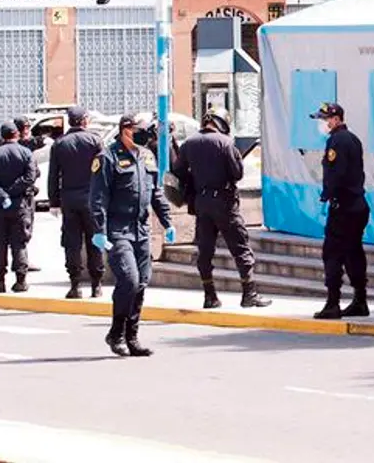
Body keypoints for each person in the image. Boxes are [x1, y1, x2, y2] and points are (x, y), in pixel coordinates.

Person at [90, 114, 174, 357]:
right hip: (118, 231)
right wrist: (98, 230)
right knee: (129, 280)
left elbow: (155, 192)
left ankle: (132, 336)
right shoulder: (107, 157)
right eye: (138, 130)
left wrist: (167, 222)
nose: (142, 134)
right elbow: (97, 198)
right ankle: (115, 333)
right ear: (125, 130)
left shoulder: (146, 155)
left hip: (141, 231)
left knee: (141, 284)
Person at [173, 107, 271, 310]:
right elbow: (237, 174)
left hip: (201, 203)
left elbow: (178, 173)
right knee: (240, 247)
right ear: (223, 123)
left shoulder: (189, 144)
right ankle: (248, 293)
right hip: (224, 203)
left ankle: (210, 296)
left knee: (205, 250)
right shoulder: (226, 143)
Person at [310, 102, 370, 320]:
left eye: (325, 119)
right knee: (354, 252)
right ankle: (360, 299)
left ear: (336, 119)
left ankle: (333, 302)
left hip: (343, 206)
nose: (322, 124)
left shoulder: (336, 141)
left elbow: (336, 174)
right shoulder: (353, 139)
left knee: (333, 253)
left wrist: (327, 194)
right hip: (358, 205)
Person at [48, 106, 105, 299]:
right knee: (95, 240)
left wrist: (53, 201)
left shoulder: (60, 144)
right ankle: (96, 284)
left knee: (72, 243)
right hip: (93, 199)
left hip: (69, 199)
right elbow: (104, 171)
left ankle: (75, 284)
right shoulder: (95, 140)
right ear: (84, 121)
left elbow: (53, 175)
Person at [0, 123, 39, 294]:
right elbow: (30, 177)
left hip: (0, 206)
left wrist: (2, 194)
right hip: (20, 204)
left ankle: (0, 282)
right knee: (19, 243)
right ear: (16, 134)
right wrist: (13, 191)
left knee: (0, 245)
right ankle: (21, 281)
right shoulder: (25, 153)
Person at [14, 115, 44, 273]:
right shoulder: (22, 146)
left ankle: (20, 258)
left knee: (22, 229)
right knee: (23, 229)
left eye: (28, 127)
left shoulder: (25, 144)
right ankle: (21, 260)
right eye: (23, 128)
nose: (27, 131)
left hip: (24, 192)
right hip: (22, 194)